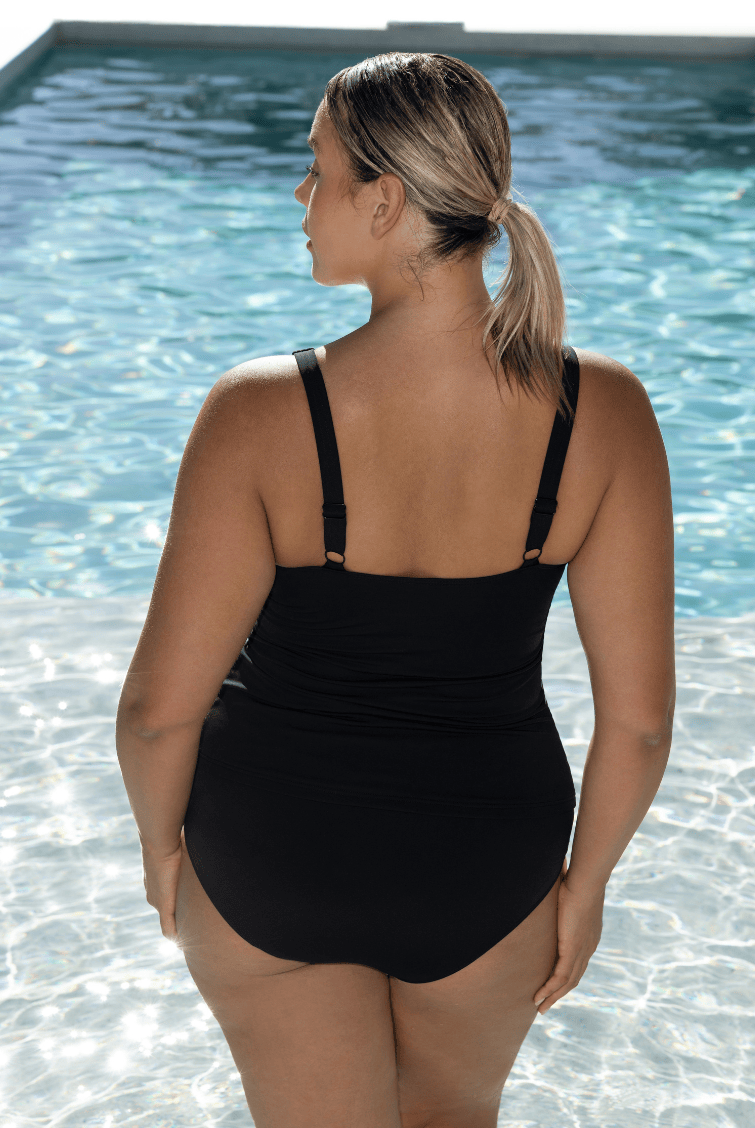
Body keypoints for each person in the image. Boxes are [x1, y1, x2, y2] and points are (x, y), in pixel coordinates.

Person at [116, 52, 675, 1128]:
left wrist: (160, 852)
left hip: (269, 857)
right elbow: (640, 725)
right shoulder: (601, 412)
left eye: (313, 167)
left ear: (383, 202)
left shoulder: (259, 411)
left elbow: (155, 712)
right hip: (487, 866)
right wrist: (586, 885)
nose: (300, 195)